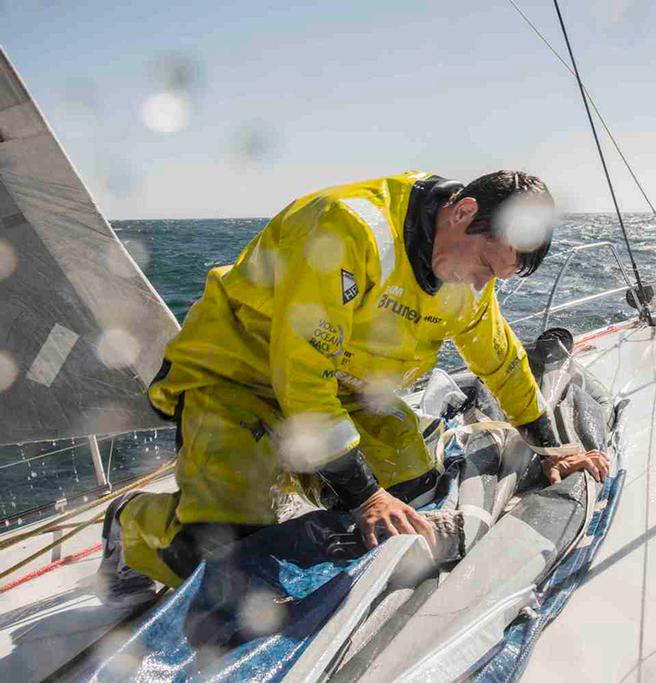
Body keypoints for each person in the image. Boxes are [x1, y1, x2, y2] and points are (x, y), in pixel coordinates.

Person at [97, 170, 610, 604]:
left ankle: (294, 488)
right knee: (221, 553)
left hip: (343, 393)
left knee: (413, 494)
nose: (481, 286)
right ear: (461, 212)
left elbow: (501, 360)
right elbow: (302, 373)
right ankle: (132, 524)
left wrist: (548, 444)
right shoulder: (349, 228)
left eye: (495, 278)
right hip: (239, 380)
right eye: (484, 267)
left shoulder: (468, 280)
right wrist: (365, 496)